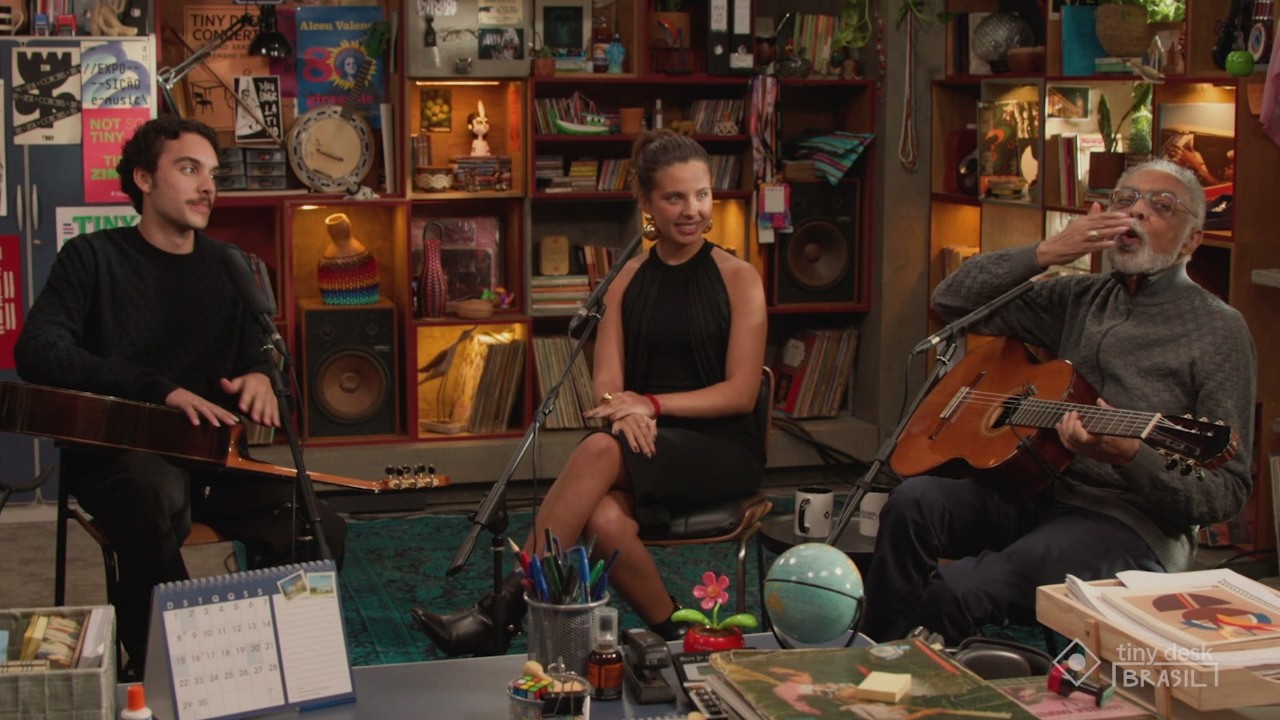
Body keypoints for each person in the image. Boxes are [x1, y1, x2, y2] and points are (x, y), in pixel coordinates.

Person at [861, 158, 1256, 645]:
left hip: (1128, 523)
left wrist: (1133, 457)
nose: (1135, 212)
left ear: (1192, 240)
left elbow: (1228, 490)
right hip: (1035, 489)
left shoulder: (1220, 330)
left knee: (962, 589)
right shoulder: (1080, 297)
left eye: (1161, 206)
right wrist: (1052, 249)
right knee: (911, 502)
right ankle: (874, 659)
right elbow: (952, 300)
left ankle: (913, 673)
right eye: (1124, 199)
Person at [14, 116, 348, 677]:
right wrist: (156, 390)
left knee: (319, 526)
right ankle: (171, 671)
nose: (207, 187)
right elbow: (40, 352)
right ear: (143, 178)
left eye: (212, 174)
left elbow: (262, 360)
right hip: (120, 460)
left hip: (210, 461)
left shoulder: (230, 266)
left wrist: (263, 377)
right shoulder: (93, 259)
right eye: (188, 169)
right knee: (151, 496)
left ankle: (284, 663)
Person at [412, 130, 768, 655]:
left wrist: (647, 405)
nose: (692, 210)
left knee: (599, 449)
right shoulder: (625, 279)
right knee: (601, 517)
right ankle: (674, 629)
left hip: (720, 447)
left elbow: (741, 393)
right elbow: (606, 384)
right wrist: (622, 413)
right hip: (643, 440)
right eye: (674, 197)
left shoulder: (739, 278)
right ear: (645, 202)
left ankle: (502, 610)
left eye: (701, 195)